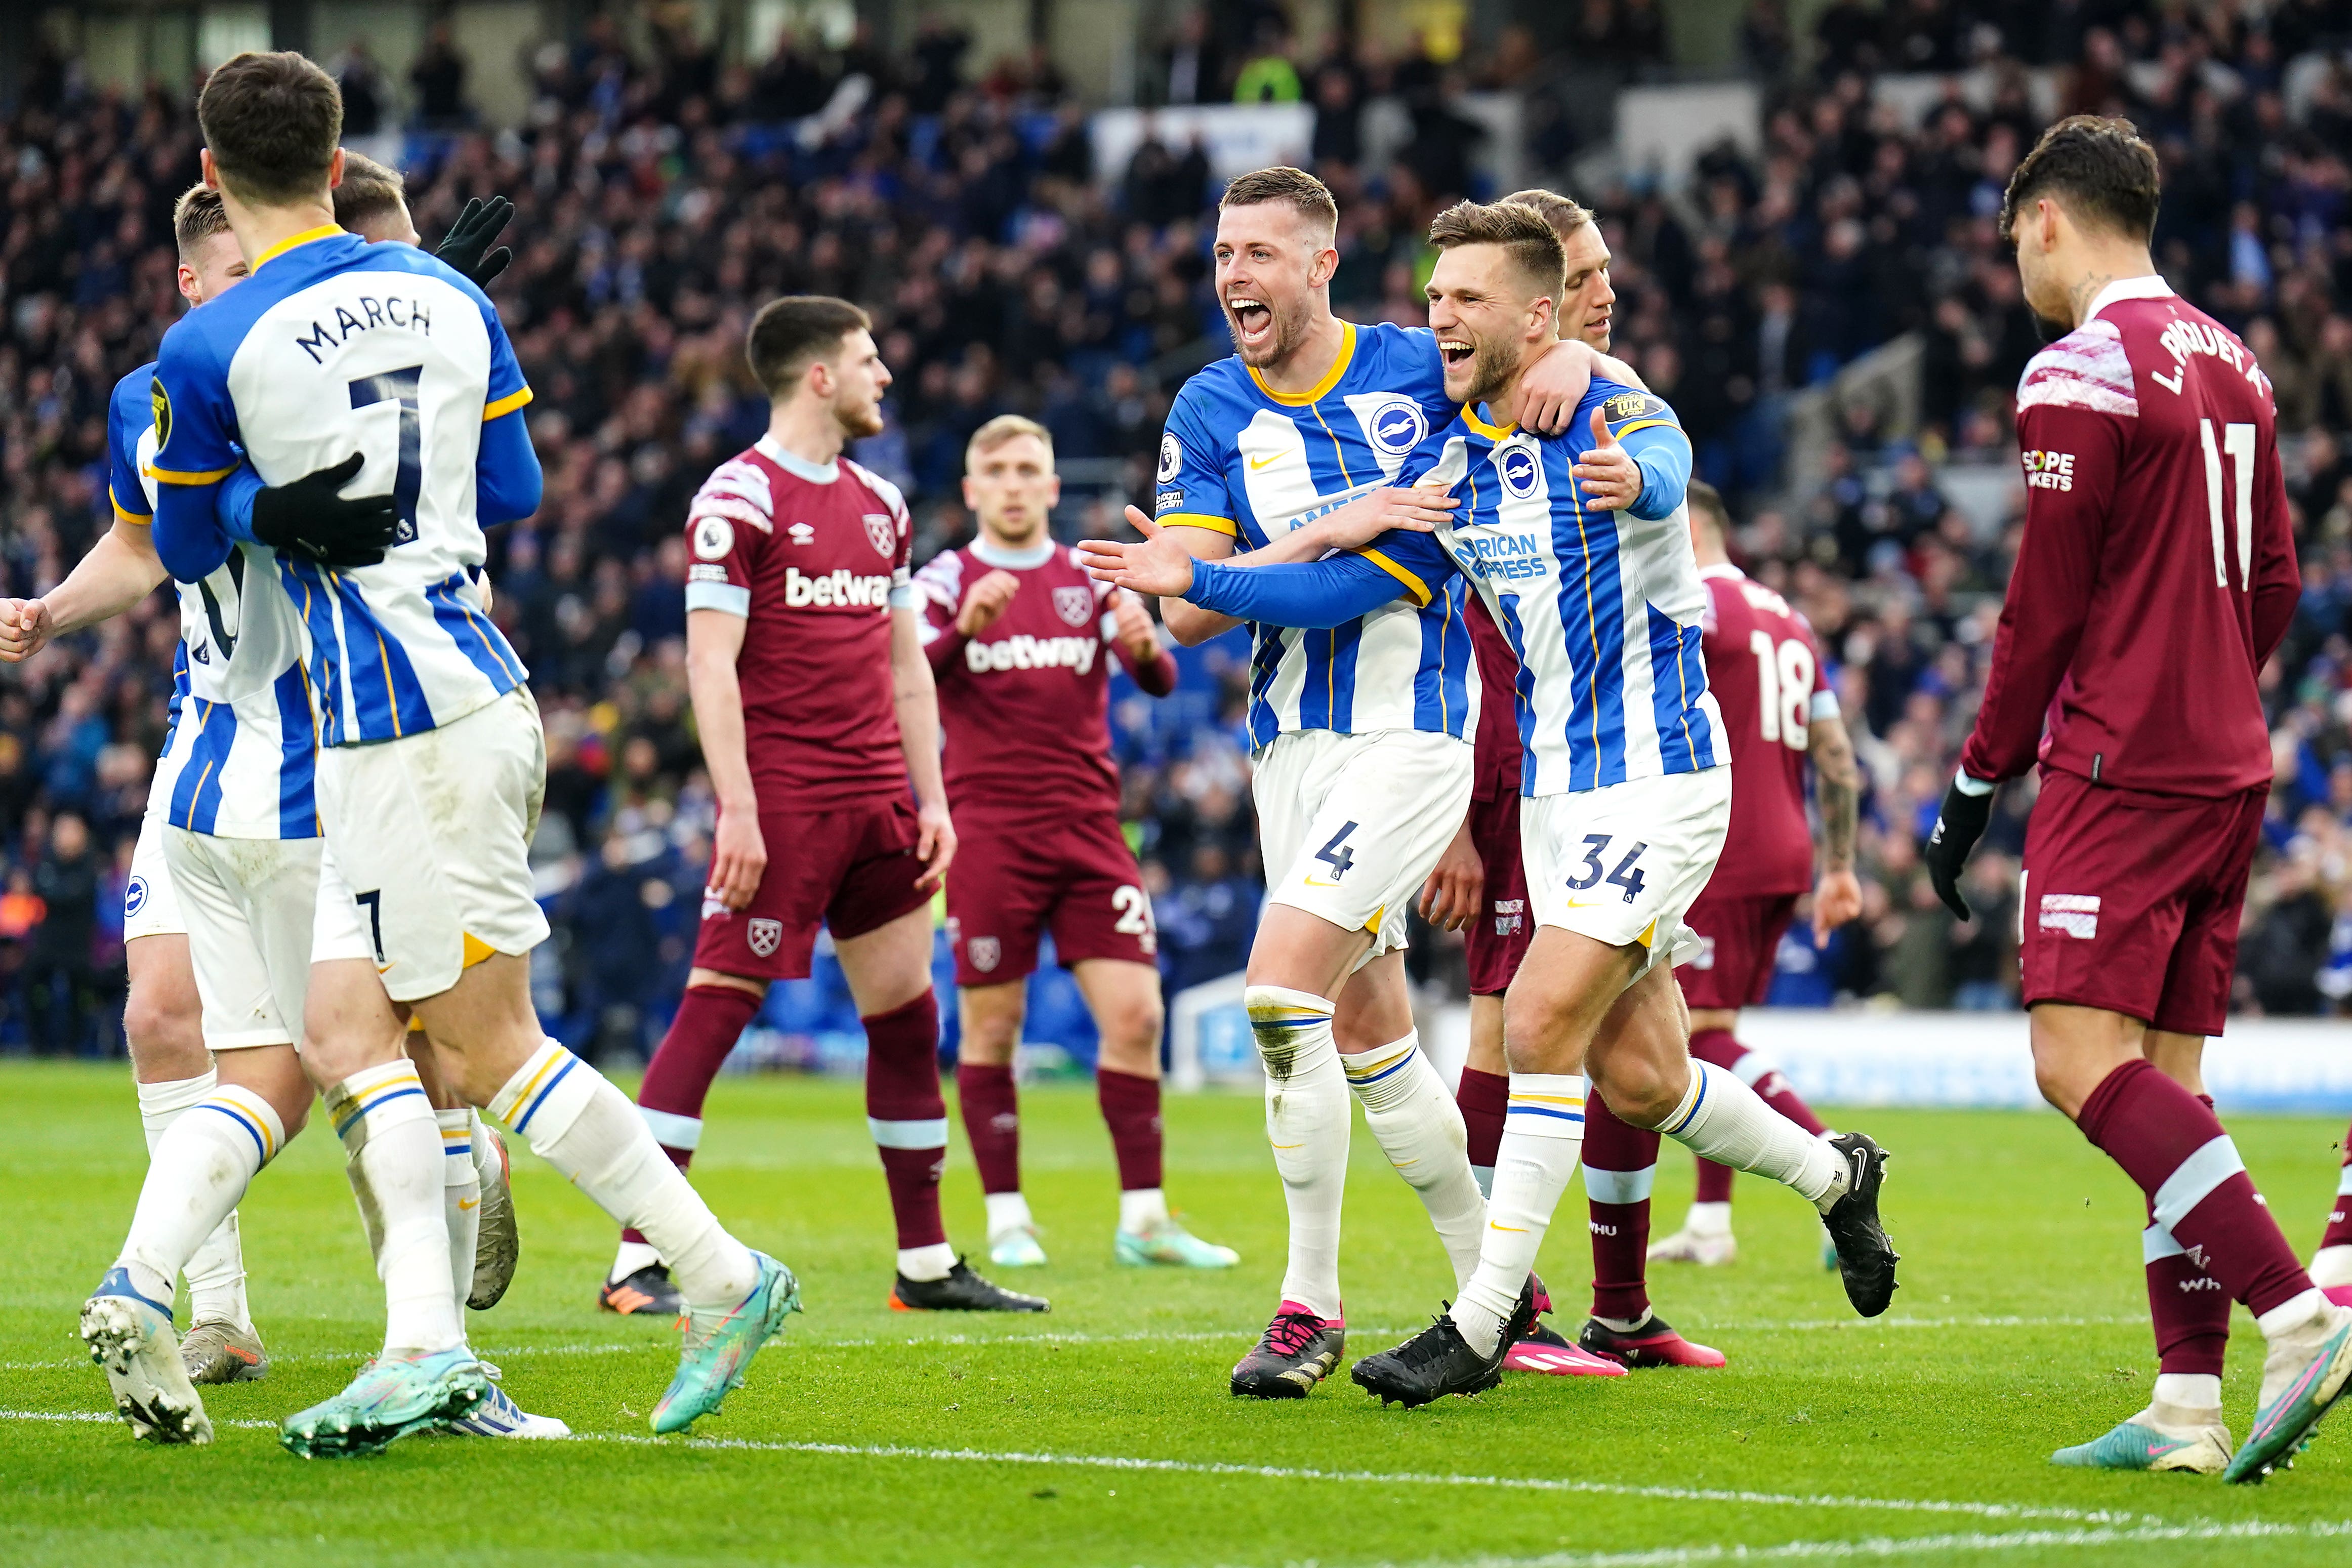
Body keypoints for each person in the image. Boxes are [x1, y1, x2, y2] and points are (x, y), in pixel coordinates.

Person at [1084, 197, 1901, 1410]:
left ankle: (1473, 1317)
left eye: (1466, 301)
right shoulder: (1451, 448)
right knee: (1641, 1076)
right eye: (1436, 299)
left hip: (1643, 766)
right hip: (1532, 784)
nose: (1442, 319)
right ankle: (1837, 1178)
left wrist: (1618, 425)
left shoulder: (1590, 398)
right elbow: (1326, 581)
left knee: (1501, 1021)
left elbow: (1659, 450)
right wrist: (1247, 556)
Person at [138, 51, 791, 1454]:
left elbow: (185, 544)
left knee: (488, 1046)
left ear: (209, 176)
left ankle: (725, 1275)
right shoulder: (451, 294)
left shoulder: (206, 345)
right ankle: (426, 1347)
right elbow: (515, 487)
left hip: (414, 722)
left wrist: (265, 498)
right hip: (440, 696)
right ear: (335, 161)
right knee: (346, 1031)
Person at [3, 181, 536, 1422]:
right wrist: (50, 612)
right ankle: (224, 1314)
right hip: (219, 754)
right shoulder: (163, 389)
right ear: (193, 281)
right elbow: (151, 542)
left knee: (366, 1059)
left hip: (340, 744)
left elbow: (403, 462)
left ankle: (419, 1307)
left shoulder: (283, 363)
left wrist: (427, 306)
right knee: (173, 1021)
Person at [1920, 115, 2350, 1483]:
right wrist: (2214, 680)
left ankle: (2298, 1319)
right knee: (2168, 1081)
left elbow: (2039, 613)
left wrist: (1980, 781)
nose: (2017, 269)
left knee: (2072, 1061)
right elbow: (2276, 578)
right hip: (2227, 761)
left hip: (2125, 762)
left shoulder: (2084, 366)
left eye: (2013, 241)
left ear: (2048, 218)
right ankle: (2185, 1403)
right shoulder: (2238, 363)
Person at [1146, 165, 1601, 1398]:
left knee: (1275, 992)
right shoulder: (1205, 405)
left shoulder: (1418, 365)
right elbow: (1180, 608)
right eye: (1222, 252)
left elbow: (1384, 569)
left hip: (1412, 735)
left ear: (1318, 264)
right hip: (1286, 744)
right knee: (1365, 1030)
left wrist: (1579, 364)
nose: (1233, 273)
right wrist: (1322, 522)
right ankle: (1495, 1295)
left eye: (1257, 253)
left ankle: (1308, 1305)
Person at [601, 295, 1044, 1320]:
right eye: (867, 357)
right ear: (817, 377)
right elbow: (709, 667)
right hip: (786, 801)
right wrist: (738, 809)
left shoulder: (881, 505)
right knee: (715, 1009)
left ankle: (925, 1264)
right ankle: (635, 1258)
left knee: (906, 1018)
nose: (883, 374)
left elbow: (906, 673)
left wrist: (929, 798)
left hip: (878, 803)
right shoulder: (737, 499)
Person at [1442, 188, 1729, 1374]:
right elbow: (1452, 622)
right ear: (1530, 301)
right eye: (1578, 275)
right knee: (1512, 1026)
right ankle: (1503, 1306)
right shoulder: (1462, 399)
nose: (1602, 291)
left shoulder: (1603, 394)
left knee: (1627, 1048)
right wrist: (1460, 815)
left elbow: (1662, 462)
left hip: (1614, 765)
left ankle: (1616, 1301)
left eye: (1605, 270)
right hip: (1506, 766)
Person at [913, 415, 1234, 1270]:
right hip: (989, 833)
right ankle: (1009, 1216)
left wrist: (1143, 644)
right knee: (994, 1024)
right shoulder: (945, 581)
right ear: (973, 490)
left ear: (1053, 487)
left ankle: (1145, 1218)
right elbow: (906, 682)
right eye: (998, 469)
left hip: (1091, 830)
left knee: (1137, 1016)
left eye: (1030, 468)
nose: (1015, 483)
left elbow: (1160, 678)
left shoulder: (1086, 577)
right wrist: (960, 634)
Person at [1641, 480, 1856, 1280]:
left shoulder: (1697, 604)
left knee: (1695, 1035)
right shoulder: (1787, 616)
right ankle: (1709, 1220)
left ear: (1689, 525)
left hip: (1721, 844)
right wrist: (1838, 866)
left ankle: (1832, 1152)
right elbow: (1834, 753)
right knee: (1705, 1024)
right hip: (1787, 846)